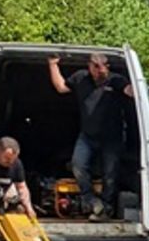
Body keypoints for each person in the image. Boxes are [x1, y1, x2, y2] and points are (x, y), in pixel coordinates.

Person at [47, 52, 134, 219]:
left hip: (112, 137)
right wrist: (53, 64)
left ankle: (106, 207)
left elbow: (129, 91)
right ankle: (91, 200)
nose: (99, 72)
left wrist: (136, 87)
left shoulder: (115, 80)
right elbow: (61, 87)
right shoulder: (81, 78)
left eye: (103, 68)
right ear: (90, 66)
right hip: (87, 135)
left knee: (110, 174)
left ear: (107, 67)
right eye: (96, 67)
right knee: (78, 165)